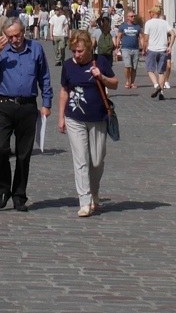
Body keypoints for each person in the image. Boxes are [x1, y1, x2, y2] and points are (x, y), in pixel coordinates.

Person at [0, 17, 51, 211]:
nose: (14, 40)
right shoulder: (1, 51)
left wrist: (46, 103)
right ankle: (3, 188)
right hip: (4, 105)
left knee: (23, 155)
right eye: (10, 36)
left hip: (27, 107)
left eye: (17, 35)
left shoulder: (35, 49)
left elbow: (44, 76)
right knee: (0, 148)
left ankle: (19, 195)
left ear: (24, 32)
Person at [58, 27, 118, 217]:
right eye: (74, 51)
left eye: (80, 51)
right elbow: (64, 90)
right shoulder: (68, 65)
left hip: (98, 117)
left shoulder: (100, 61)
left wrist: (101, 76)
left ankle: (94, 191)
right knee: (81, 160)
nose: (76, 55)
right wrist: (61, 117)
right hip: (75, 117)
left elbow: (115, 83)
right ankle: (84, 201)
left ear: (89, 49)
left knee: (97, 160)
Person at [143, 5, 173, 99]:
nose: (150, 14)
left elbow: (146, 39)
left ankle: (156, 86)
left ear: (153, 13)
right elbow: (173, 34)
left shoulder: (148, 23)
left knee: (150, 70)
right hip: (163, 49)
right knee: (161, 72)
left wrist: (144, 48)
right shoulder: (164, 23)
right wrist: (170, 46)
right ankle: (161, 92)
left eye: (150, 12)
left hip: (152, 49)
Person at [118, 11, 142, 91]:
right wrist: (116, 47)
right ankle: (127, 81)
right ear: (127, 17)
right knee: (127, 66)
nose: (133, 17)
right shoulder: (123, 26)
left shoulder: (137, 27)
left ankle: (132, 83)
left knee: (134, 68)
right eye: (131, 16)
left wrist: (144, 47)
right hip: (126, 48)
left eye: (134, 16)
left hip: (135, 49)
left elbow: (141, 38)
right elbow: (119, 37)